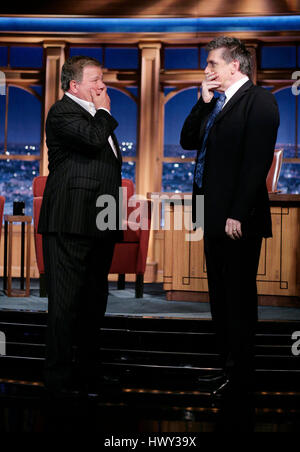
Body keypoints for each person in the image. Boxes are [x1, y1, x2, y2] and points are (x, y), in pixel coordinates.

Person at [180, 37, 279, 398]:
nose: (206, 71)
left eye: (211, 64)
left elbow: (257, 161)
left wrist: (237, 213)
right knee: (219, 298)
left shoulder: (260, 100)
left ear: (234, 66)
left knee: (238, 297)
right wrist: (201, 102)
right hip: (210, 214)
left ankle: (242, 378)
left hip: (238, 218)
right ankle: (226, 369)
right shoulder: (216, 104)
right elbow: (188, 140)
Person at [38, 55, 122, 395]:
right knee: (64, 303)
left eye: (102, 78)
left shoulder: (97, 116)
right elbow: (91, 140)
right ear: (74, 86)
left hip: (102, 218)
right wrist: (104, 111)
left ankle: (88, 372)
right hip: (70, 220)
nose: (102, 85)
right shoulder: (61, 112)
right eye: (95, 80)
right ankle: (57, 379)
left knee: (93, 301)